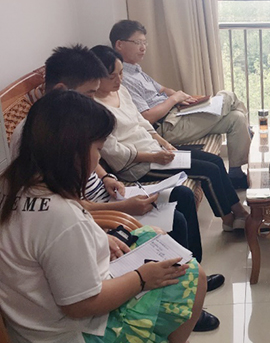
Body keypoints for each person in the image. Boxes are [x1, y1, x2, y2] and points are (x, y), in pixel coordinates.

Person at [0, 90, 205, 343]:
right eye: (97, 148)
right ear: (72, 150)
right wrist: (142, 278)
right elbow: (81, 305)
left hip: (34, 317)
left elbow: (44, 243)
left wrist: (99, 238)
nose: (99, 157)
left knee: (155, 235)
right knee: (193, 274)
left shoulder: (13, 185)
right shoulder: (61, 217)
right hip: (77, 331)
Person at [90, 45, 249, 232]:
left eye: (121, 73)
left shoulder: (120, 91)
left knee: (215, 161)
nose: (119, 80)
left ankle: (238, 211)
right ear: (96, 77)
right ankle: (229, 220)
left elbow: (141, 122)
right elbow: (115, 152)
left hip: (155, 150)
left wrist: (165, 143)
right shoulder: (95, 109)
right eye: (112, 77)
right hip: (137, 165)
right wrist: (153, 157)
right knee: (208, 171)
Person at [109, 19, 251, 189]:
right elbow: (146, 117)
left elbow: (163, 89)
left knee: (236, 118)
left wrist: (184, 98)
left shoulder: (136, 70)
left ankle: (235, 174)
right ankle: (249, 131)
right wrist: (174, 99)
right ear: (119, 44)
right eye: (138, 42)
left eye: (145, 43)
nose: (143, 47)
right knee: (227, 96)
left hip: (177, 115)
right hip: (167, 127)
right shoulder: (123, 80)